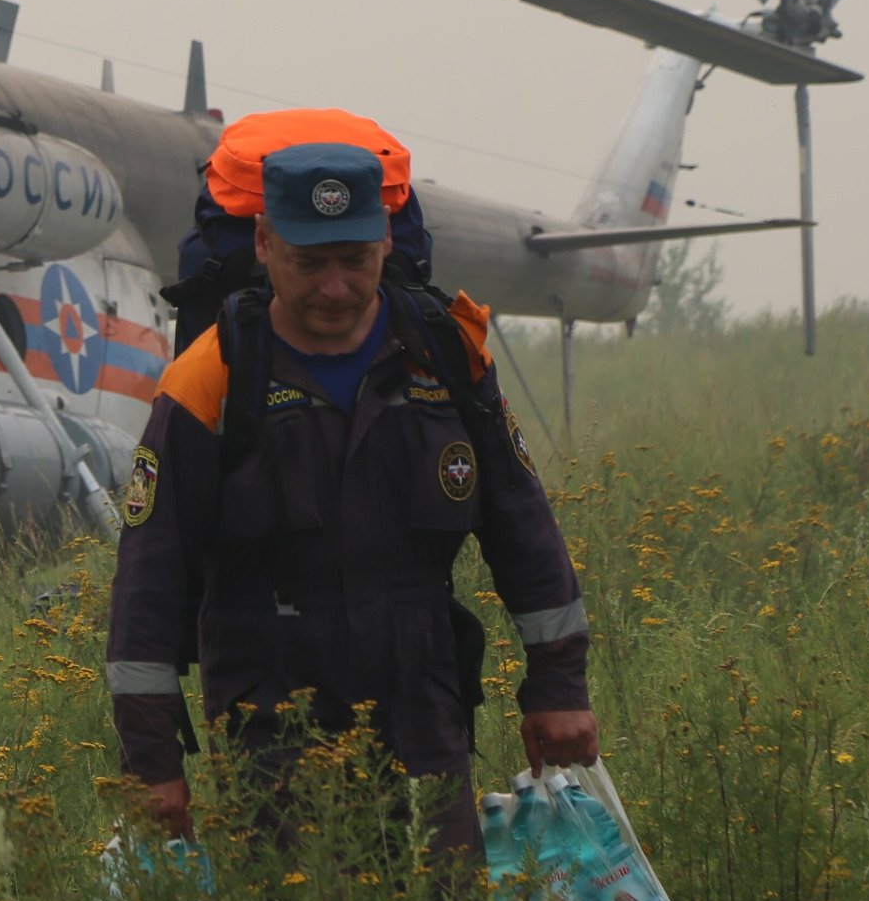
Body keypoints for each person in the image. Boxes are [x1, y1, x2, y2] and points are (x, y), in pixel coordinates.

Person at [104, 139, 597, 861]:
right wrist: (151, 762)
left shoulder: (446, 354)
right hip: (271, 724)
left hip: (423, 707)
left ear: (385, 242)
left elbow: (523, 527)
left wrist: (559, 683)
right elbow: (149, 579)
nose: (335, 288)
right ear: (266, 245)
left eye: (355, 260)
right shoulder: (209, 377)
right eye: (309, 263)